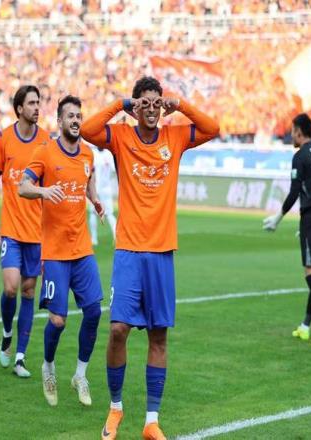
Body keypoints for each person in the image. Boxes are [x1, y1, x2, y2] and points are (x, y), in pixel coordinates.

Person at [80, 76, 220, 440]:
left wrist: (180, 105)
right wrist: (121, 105)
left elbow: (213, 128)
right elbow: (88, 130)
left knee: (159, 336)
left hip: (161, 252)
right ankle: (115, 408)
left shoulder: (175, 137)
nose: (152, 108)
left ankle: (151, 422)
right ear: (136, 107)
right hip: (129, 250)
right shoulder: (121, 137)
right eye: (146, 102)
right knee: (118, 330)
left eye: (157, 102)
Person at [19, 95, 104, 407]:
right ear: (59, 121)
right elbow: (22, 186)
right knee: (57, 321)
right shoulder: (45, 152)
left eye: (79, 115)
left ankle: (80, 374)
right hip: (55, 252)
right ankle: (48, 367)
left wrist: (95, 200)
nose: (76, 120)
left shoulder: (88, 154)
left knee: (94, 311)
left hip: (82, 249)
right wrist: (43, 190)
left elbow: (87, 180)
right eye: (70, 116)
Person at [0, 85, 51, 377]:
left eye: (39, 102)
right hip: (11, 229)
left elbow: (49, 185)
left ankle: (21, 357)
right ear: (19, 108)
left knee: (28, 290)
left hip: (36, 232)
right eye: (32, 103)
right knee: (11, 287)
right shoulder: (4, 138)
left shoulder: (46, 140)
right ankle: (6, 333)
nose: (37, 107)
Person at [263, 113, 311, 345]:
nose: (291, 135)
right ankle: (305, 326)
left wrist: (277, 218)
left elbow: (295, 192)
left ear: (299, 131)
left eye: (292, 130)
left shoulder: (300, 156)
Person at [88, 146, 117, 245]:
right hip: (101, 188)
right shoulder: (107, 154)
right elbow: (114, 170)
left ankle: (94, 239)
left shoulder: (94, 153)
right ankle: (114, 236)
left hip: (99, 188)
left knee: (95, 213)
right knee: (108, 214)